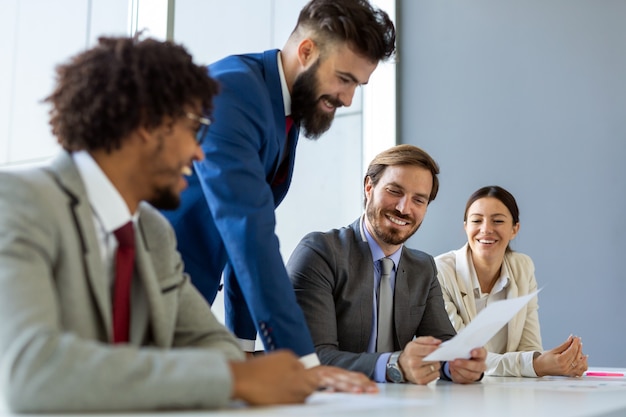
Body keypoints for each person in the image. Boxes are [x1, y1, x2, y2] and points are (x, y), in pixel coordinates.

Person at [0, 35, 375, 413]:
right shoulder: (17, 202)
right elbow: (34, 374)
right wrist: (234, 379)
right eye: (194, 127)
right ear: (149, 124)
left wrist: (240, 370)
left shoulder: (153, 233)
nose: (200, 151)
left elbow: (215, 345)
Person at [162, 0, 396, 365]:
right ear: (307, 51)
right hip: (140, 292)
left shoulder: (285, 106)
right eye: (344, 79)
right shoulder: (232, 93)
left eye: (358, 86)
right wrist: (303, 364)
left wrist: (243, 347)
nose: (348, 99)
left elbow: (242, 238)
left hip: (179, 303)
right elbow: (249, 233)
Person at [286, 145, 487, 384]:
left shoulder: (423, 268)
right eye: (394, 191)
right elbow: (310, 359)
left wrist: (458, 364)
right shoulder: (319, 253)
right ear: (369, 187)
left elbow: (443, 347)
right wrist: (394, 365)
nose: (404, 208)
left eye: (418, 200)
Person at [435, 185, 588, 378]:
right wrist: (538, 365)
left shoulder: (522, 267)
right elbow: (463, 357)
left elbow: (529, 347)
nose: (486, 229)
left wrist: (560, 362)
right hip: (460, 393)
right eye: (476, 220)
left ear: (515, 229)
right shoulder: (440, 271)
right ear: (466, 227)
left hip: (509, 392)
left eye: (498, 221)